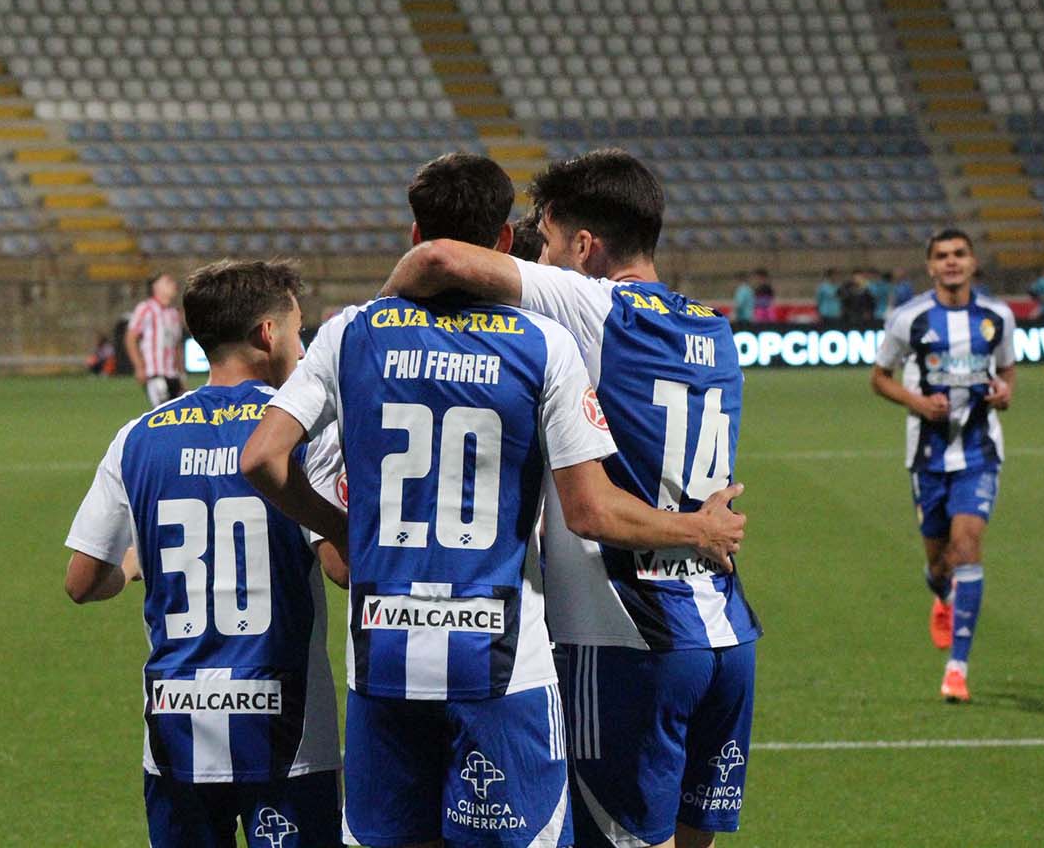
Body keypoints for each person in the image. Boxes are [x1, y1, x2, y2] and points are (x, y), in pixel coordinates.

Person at [242, 152, 747, 848]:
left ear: (414, 230)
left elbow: (263, 457)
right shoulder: (670, 331)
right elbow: (587, 503)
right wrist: (696, 531)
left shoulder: (353, 332)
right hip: (553, 647)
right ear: (505, 239)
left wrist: (344, 531)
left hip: (391, 650)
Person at [63, 259, 348, 848]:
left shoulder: (138, 436)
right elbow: (341, 568)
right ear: (269, 335)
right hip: (287, 730)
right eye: (299, 329)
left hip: (175, 728)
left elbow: (82, 581)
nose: (303, 343)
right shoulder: (301, 431)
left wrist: (133, 566)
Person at [870, 228, 1016, 703]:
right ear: (930, 267)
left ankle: (957, 668)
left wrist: (1004, 391)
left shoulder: (997, 317)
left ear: (973, 262)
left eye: (959, 254)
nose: (951, 262)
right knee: (939, 562)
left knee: (967, 545)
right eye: (942, 257)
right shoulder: (908, 319)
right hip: (928, 456)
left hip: (978, 451)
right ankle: (940, 593)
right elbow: (878, 377)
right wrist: (915, 401)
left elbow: (1007, 370)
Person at [127, 273, 186, 407]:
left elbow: (176, 346)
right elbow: (131, 338)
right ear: (156, 286)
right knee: (164, 412)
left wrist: (181, 375)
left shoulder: (174, 313)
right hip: (155, 373)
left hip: (173, 374)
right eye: (168, 281)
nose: (173, 285)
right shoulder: (145, 308)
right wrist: (139, 367)